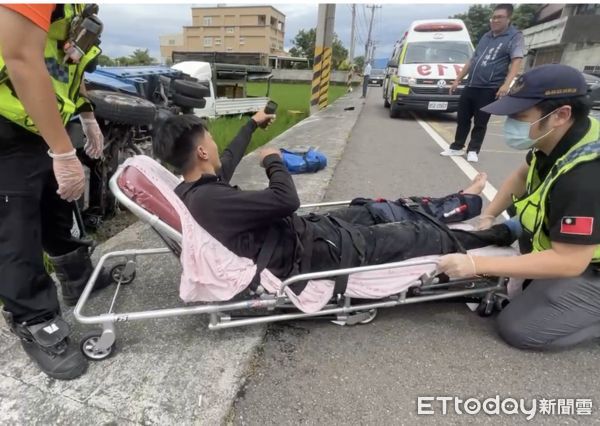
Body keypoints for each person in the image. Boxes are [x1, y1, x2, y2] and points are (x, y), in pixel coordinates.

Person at [153, 111, 519, 297]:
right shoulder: (213, 201)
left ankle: (466, 204)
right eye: (211, 142)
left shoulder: (192, 190)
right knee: (415, 234)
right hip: (313, 252)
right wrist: (272, 160)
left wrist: (251, 125)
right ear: (201, 151)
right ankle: (501, 234)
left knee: (378, 209)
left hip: (309, 234)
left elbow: (228, 159)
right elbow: (285, 198)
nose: (218, 147)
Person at [438, 64, 600, 351]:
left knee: (520, 328)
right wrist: (488, 215)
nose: (512, 124)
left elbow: (570, 261)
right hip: (570, 246)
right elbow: (521, 175)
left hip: (584, 261)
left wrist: (477, 265)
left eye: (520, 116)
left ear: (561, 115)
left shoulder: (585, 177)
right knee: (508, 239)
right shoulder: (558, 138)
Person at [0, 4, 110, 380]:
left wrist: (87, 112)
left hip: (41, 118)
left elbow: (60, 62)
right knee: (15, 226)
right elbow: (20, 55)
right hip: (6, 122)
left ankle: (77, 277)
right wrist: (63, 152)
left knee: (59, 201)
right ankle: (35, 320)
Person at [440, 4, 525, 163]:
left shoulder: (515, 37)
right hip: (471, 84)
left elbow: (516, 61)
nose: (495, 20)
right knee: (463, 118)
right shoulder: (486, 36)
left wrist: (506, 84)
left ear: (509, 18)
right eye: (493, 17)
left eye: (499, 17)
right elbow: (473, 60)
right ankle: (457, 147)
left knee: (481, 121)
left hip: (489, 87)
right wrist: (458, 79)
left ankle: (473, 149)